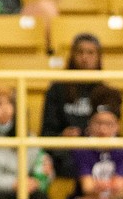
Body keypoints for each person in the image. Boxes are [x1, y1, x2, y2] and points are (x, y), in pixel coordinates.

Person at [41, 33, 105, 178]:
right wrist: (62, 136)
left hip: (97, 151)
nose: (85, 58)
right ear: (72, 56)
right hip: (66, 152)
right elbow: (46, 133)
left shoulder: (106, 92)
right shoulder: (57, 89)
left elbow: (114, 132)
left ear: (98, 57)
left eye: (91, 53)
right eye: (80, 52)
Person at [71, 87, 123, 199]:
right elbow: (87, 188)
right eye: (98, 123)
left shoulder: (121, 149)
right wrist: (111, 185)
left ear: (117, 126)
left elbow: (120, 187)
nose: (103, 130)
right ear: (89, 124)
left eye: (108, 124)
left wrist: (99, 186)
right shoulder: (82, 149)